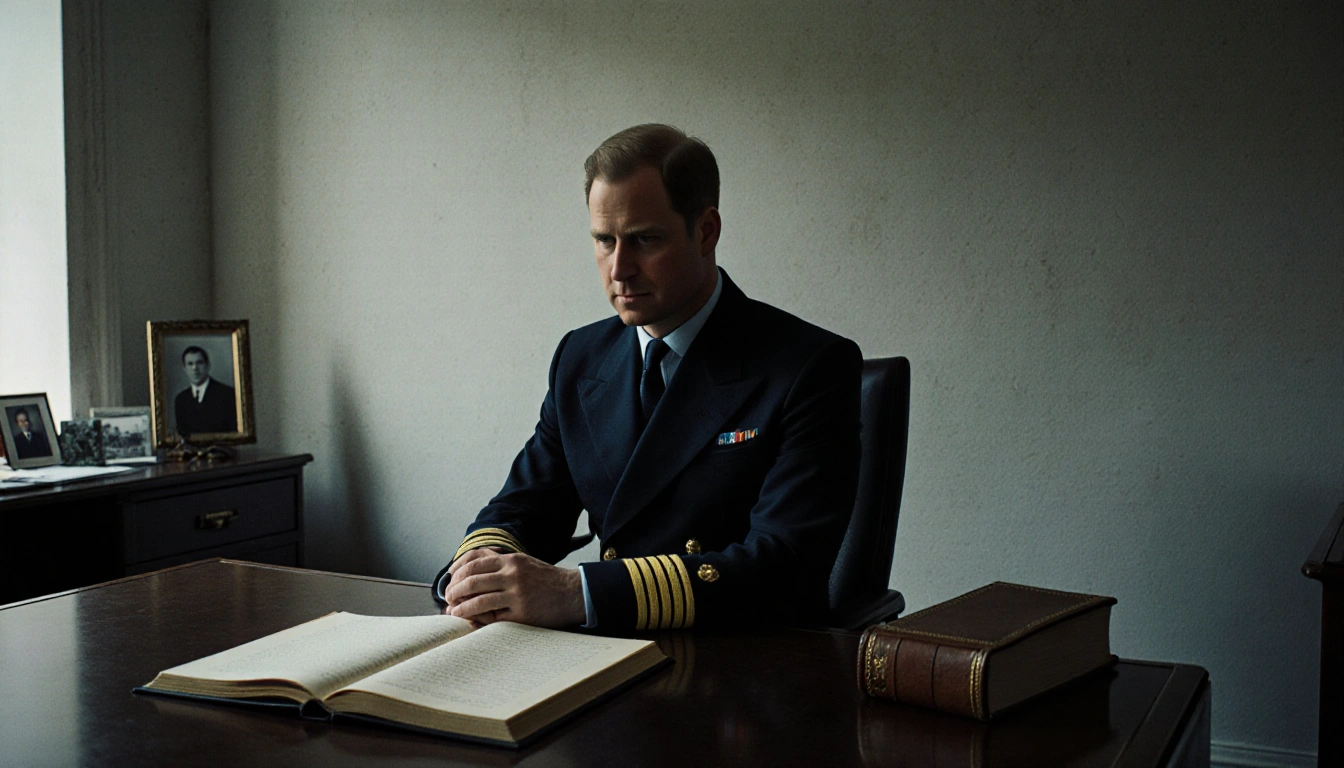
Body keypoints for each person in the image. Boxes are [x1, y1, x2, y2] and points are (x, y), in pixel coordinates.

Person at [434, 124, 862, 633]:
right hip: (600, 656)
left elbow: (782, 565)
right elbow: (526, 503)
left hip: (738, 668)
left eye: (643, 240)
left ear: (705, 231)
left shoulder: (808, 367)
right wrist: (478, 571)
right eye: (603, 240)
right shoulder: (581, 357)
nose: (619, 269)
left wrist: (578, 592)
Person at [173, 346, 238, 436]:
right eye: (190, 364)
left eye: (199, 363)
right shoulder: (181, 400)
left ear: (208, 366)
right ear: (185, 369)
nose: (195, 368)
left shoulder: (227, 394)